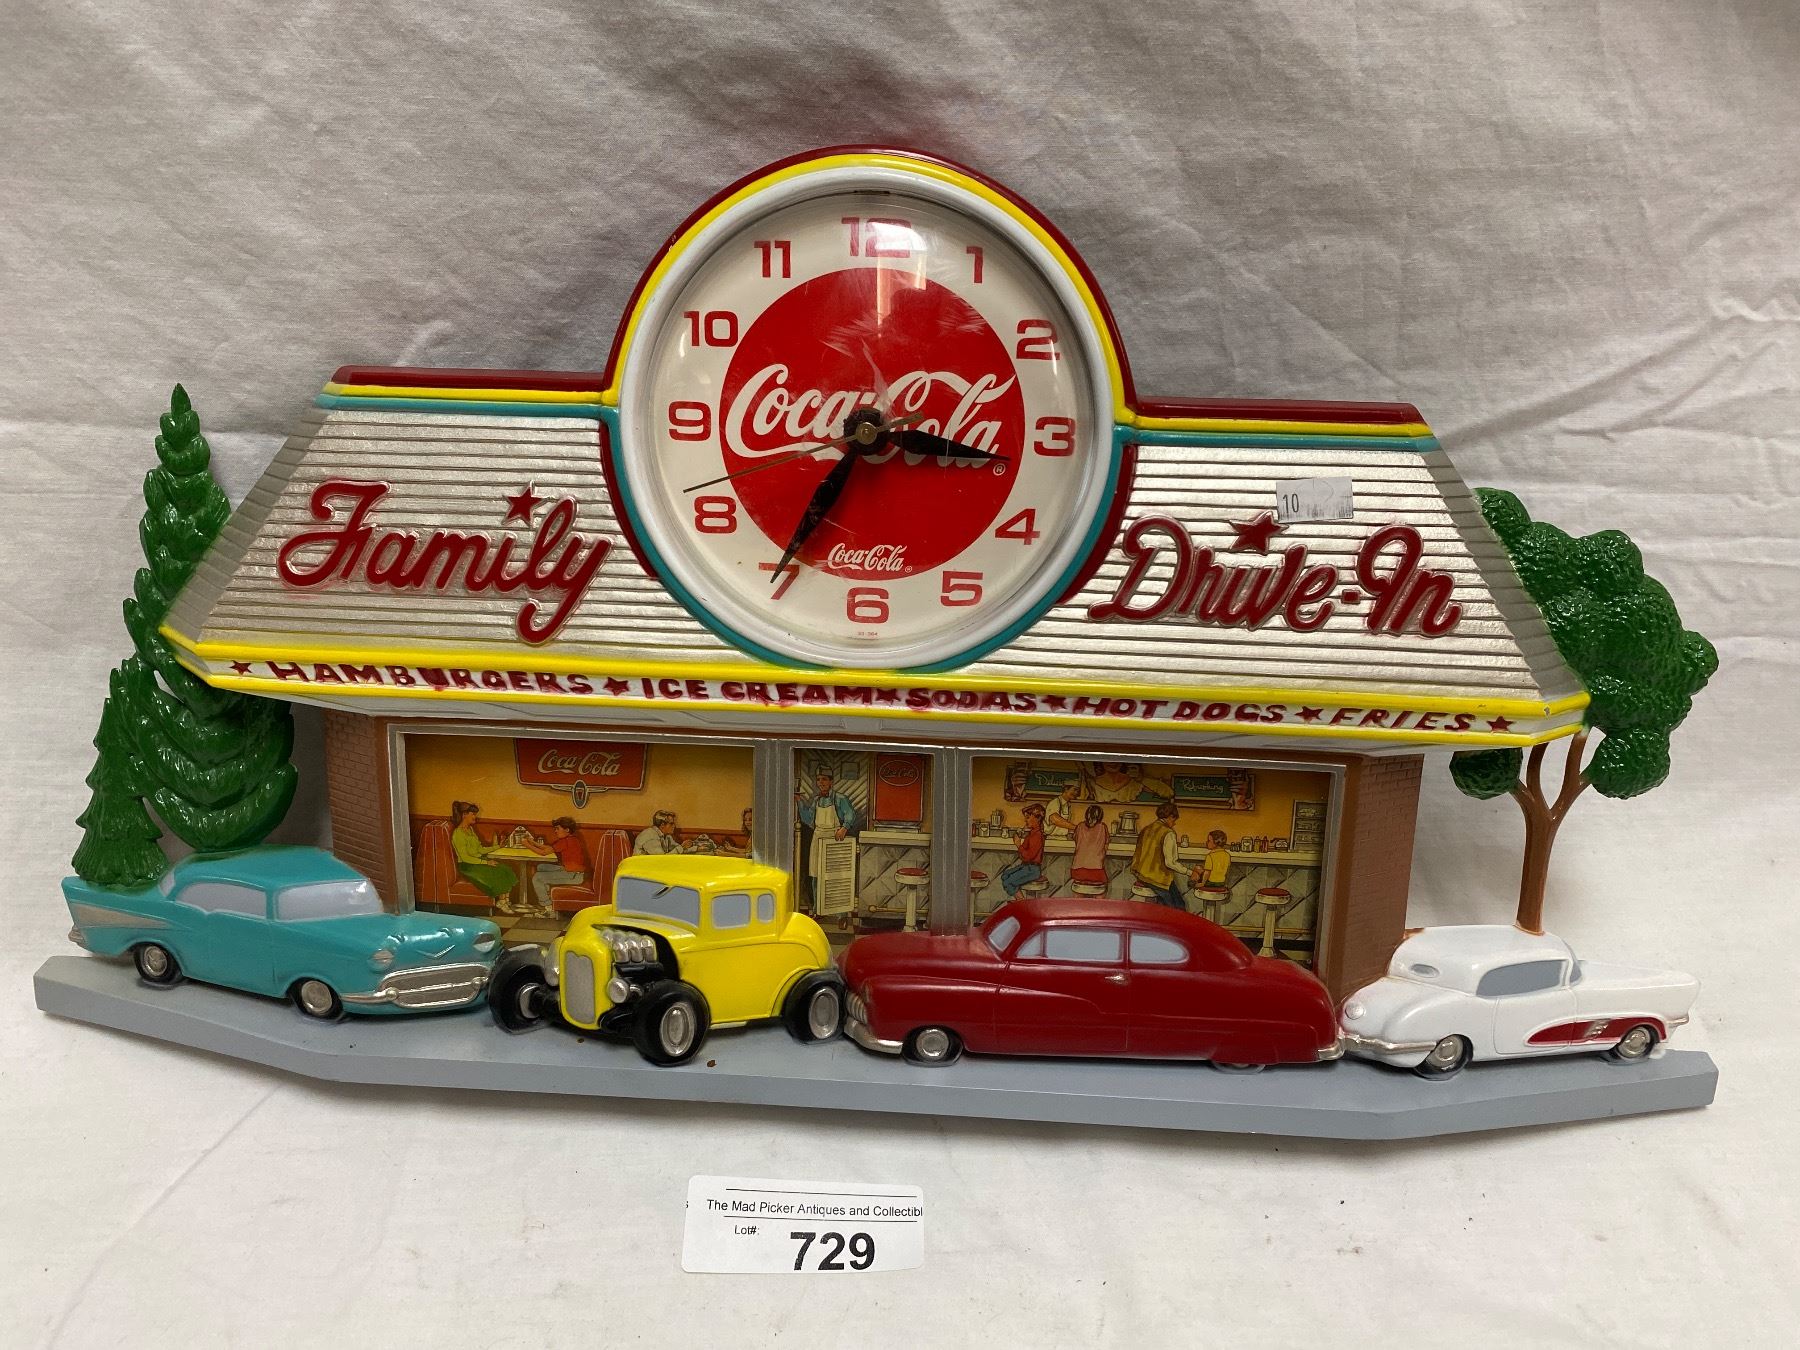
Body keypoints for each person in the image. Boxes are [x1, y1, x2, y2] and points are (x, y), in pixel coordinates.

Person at [796, 770, 859, 910]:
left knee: (836, 876)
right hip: (817, 837)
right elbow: (808, 819)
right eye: (818, 779)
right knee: (815, 874)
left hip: (834, 839)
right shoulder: (816, 800)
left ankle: (839, 912)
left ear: (831, 781)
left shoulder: (840, 798)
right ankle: (817, 909)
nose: (821, 782)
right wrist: (799, 802)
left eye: (824, 779)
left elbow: (850, 814)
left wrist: (844, 828)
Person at [449, 801, 521, 913]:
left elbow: (480, 849)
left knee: (505, 869)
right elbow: (465, 858)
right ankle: (502, 902)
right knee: (497, 872)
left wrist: (498, 846)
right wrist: (487, 863)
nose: (475, 817)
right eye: (473, 814)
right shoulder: (458, 834)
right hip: (468, 866)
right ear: (464, 815)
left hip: (478, 862)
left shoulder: (470, 830)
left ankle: (505, 900)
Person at [1130, 800, 1185, 909]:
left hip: (1141, 874)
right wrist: (1189, 872)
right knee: (1178, 907)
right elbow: (1170, 863)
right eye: (1174, 819)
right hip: (1157, 879)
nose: (1174, 823)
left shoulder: (1146, 829)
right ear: (1170, 816)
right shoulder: (1168, 833)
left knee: (1167, 901)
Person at [530, 816, 591, 912]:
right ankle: (548, 896)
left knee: (537, 877)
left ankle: (547, 906)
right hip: (571, 871)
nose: (555, 831)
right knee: (540, 867)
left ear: (567, 830)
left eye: (557, 829)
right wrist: (532, 842)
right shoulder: (571, 839)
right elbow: (548, 848)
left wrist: (527, 845)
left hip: (574, 875)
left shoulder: (566, 841)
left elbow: (543, 852)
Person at [999, 803, 1047, 897]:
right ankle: (1022, 901)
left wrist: (1018, 844)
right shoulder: (1031, 834)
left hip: (1032, 870)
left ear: (1037, 819)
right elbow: (1023, 856)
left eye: (1028, 817)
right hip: (1025, 866)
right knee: (1005, 875)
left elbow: (1028, 856)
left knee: (1008, 882)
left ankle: (1022, 902)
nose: (1025, 820)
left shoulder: (1037, 836)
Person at [1071, 804, 1110, 891]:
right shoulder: (1103, 827)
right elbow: (1107, 842)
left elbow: (1075, 838)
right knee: (1103, 889)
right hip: (1096, 871)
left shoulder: (1080, 826)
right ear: (1100, 816)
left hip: (1077, 870)